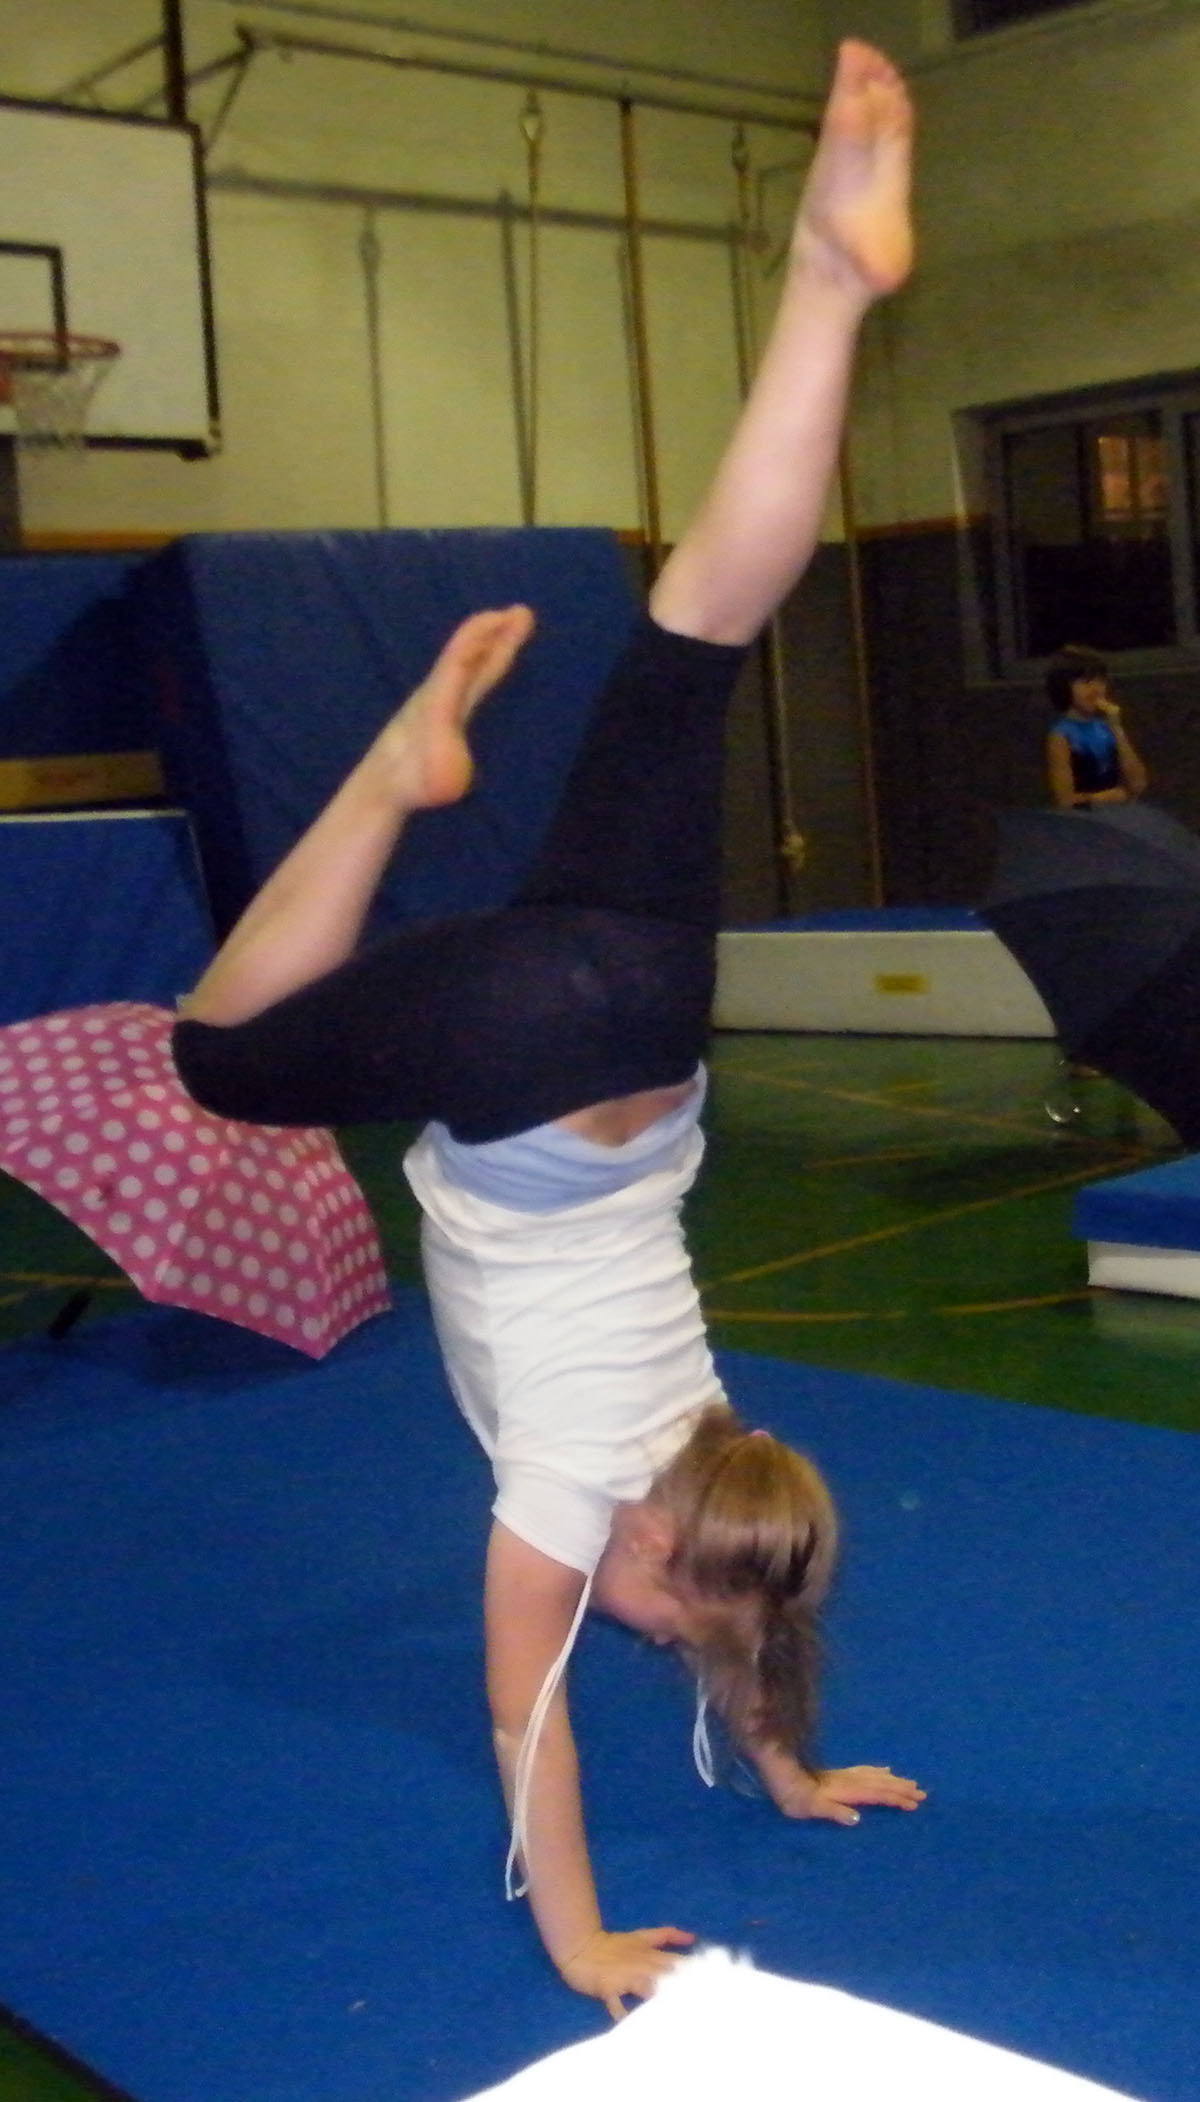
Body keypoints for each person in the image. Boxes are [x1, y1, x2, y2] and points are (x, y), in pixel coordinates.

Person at [170, 41, 924, 2018]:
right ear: (655, 1550)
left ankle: (827, 280)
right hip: (518, 1046)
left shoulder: (717, 1443)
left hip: (651, 1023)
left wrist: (794, 1766)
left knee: (693, 645)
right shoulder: (576, 1502)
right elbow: (529, 1712)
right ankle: (388, 776)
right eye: (666, 1609)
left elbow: (746, 1626)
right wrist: (578, 1936)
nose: (655, 1627)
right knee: (219, 1061)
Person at [1045, 645, 1148, 813]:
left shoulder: (1105, 728)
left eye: (1100, 681)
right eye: (1086, 682)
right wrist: (1105, 797)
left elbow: (1138, 784)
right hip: (1084, 819)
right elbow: (1065, 801)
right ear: (1065, 686)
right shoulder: (1061, 735)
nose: (1096, 689)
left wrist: (1117, 730)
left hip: (1115, 816)